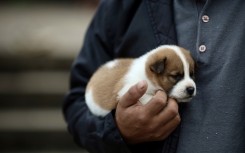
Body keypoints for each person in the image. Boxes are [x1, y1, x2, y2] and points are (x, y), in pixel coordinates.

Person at [63, 0, 245, 153]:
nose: (190, 84)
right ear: (154, 70)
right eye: (176, 76)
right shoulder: (121, 6)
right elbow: (78, 106)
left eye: (191, 75)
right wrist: (117, 130)